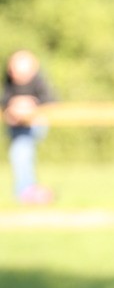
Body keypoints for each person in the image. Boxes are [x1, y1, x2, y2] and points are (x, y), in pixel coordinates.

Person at [2, 50, 56, 203]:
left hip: (33, 124)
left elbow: (51, 102)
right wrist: (11, 107)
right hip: (15, 125)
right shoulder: (9, 81)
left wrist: (30, 106)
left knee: (21, 152)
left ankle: (26, 192)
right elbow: (4, 99)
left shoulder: (39, 82)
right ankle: (28, 191)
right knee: (20, 154)